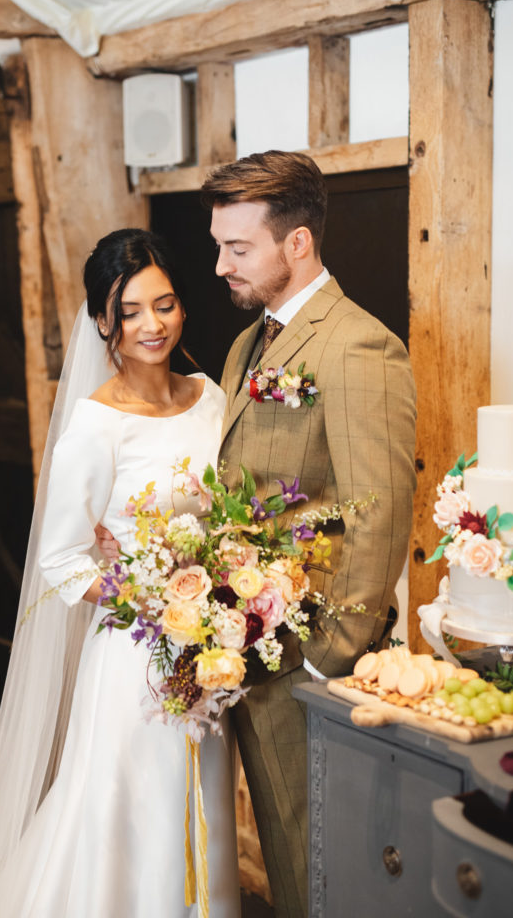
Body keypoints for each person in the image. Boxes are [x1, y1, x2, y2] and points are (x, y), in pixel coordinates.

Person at [0, 229, 240, 918]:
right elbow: (60, 557)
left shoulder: (211, 398)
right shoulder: (95, 424)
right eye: (129, 310)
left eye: (163, 305)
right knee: (132, 818)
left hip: (209, 653)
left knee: (201, 807)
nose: (151, 324)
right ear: (102, 321)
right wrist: (142, 596)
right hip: (134, 658)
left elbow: (230, 511)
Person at [201, 150, 417, 918]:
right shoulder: (244, 345)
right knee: (290, 856)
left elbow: (379, 507)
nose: (221, 264)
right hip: (252, 648)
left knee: (318, 862)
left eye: (238, 248)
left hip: (309, 660)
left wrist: (329, 658)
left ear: (296, 243)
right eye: (219, 245)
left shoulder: (357, 345)